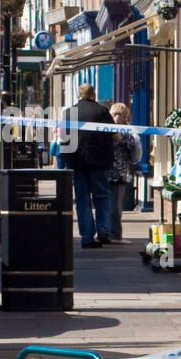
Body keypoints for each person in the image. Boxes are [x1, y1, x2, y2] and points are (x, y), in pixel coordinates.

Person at [62, 84, 114, 248]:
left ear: (79, 95)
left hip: (78, 163)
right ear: (94, 94)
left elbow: (65, 138)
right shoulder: (102, 111)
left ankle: (86, 237)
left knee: (82, 200)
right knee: (102, 197)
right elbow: (114, 134)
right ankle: (104, 230)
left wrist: (67, 161)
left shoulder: (69, 113)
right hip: (99, 162)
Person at [107, 102, 142, 242]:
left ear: (126, 116)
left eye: (119, 114)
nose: (116, 117)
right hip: (106, 171)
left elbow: (133, 147)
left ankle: (114, 234)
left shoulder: (127, 132)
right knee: (110, 205)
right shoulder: (107, 129)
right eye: (114, 114)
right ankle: (110, 234)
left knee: (115, 205)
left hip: (119, 173)